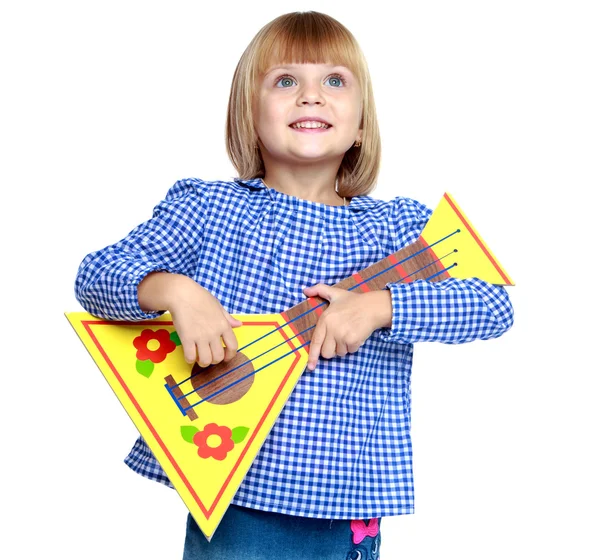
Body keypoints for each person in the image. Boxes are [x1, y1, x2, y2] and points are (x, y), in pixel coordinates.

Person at [74, 10, 514, 560]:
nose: (311, 96)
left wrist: (381, 306)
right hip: (237, 504)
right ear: (249, 116)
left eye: (335, 81)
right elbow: (95, 275)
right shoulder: (209, 210)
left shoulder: (397, 227)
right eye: (286, 81)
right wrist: (174, 292)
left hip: (349, 509)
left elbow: (493, 305)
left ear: (360, 126)